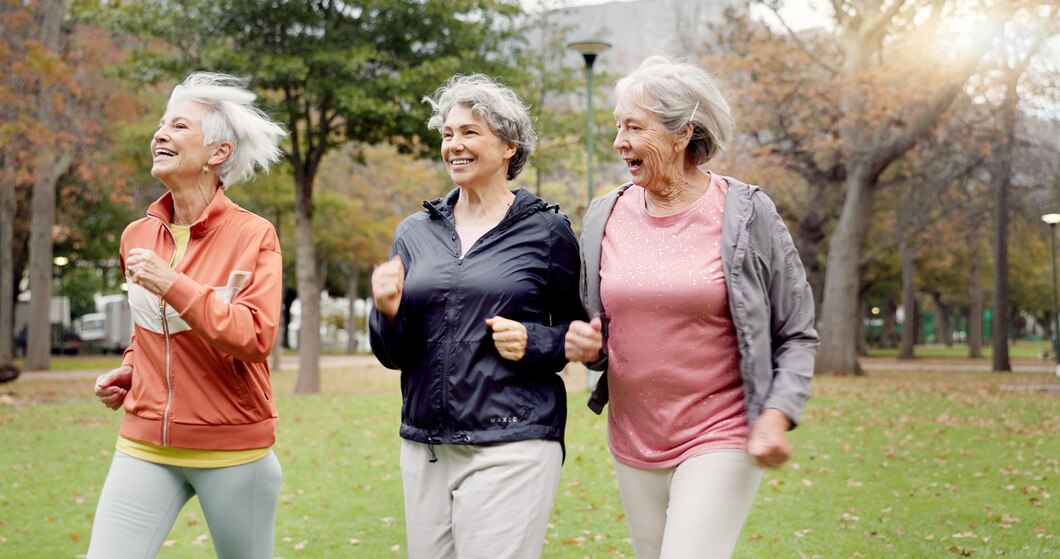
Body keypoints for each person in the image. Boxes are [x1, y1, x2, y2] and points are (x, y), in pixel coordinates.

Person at [564, 56, 818, 559]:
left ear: (683, 134)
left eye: (634, 127)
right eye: (617, 126)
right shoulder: (603, 215)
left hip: (721, 428)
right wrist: (586, 345)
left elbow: (796, 330)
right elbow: (596, 329)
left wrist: (777, 412)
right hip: (635, 434)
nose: (619, 142)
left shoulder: (746, 212)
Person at [370, 74, 583, 559]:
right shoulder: (415, 231)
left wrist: (535, 340)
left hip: (514, 440)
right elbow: (392, 354)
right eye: (447, 134)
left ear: (509, 146)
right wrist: (386, 311)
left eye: (470, 132)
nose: (454, 145)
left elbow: (583, 332)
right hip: (425, 444)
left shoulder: (547, 232)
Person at [88, 72, 287, 559]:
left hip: (233, 451)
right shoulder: (137, 235)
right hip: (143, 445)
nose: (159, 134)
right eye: (160, 124)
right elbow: (147, 329)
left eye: (178, 126)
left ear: (217, 153)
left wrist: (173, 283)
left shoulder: (253, 235)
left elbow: (255, 336)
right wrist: (132, 369)